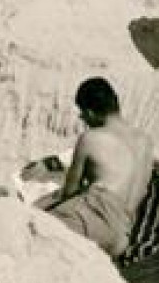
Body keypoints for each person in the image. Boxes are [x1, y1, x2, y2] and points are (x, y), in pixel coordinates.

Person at [35, 77, 152, 258]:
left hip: (94, 219)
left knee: (31, 225)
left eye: (82, 113)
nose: (82, 117)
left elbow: (69, 192)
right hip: (123, 234)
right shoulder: (145, 142)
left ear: (90, 112)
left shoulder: (90, 138)